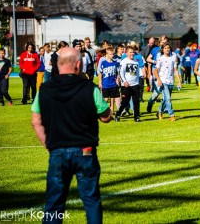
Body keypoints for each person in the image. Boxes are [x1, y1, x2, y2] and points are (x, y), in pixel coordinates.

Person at [31, 47, 112, 224]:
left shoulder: (44, 89)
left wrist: (49, 144)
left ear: (58, 64)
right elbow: (106, 117)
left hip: (57, 151)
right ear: (78, 64)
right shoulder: (89, 88)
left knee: (54, 203)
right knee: (91, 201)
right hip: (85, 150)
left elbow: (36, 121)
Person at [154, 43, 182, 121]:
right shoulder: (160, 59)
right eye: (165, 48)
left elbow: (175, 70)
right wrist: (159, 80)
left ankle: (160, 111)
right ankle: (171, 115)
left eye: (168, 48)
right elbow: (155, 71)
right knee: (168, 99)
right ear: (162, 49)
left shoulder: (173, 58)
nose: (167, 49)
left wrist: (179, 81)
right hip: (163, 81)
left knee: (166, 99)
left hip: (171, 81)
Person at [115, 46, 142, 122]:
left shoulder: (136, 62)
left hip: (135, 84)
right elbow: (120, 73)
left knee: (136, 101)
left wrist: (138, 82)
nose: (132, 54)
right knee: (125, 102)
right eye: (130, 52)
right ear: (126, 53)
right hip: (126, 85)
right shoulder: (124, 62)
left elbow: (137, 73)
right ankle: (118, 113)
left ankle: (136, 117)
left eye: (133, 52)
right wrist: (124, 81)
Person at [98, 47, 120, 115]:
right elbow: (100, 72)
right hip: (106, 84)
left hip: (113, 84)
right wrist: (100, 81)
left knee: (112, 100)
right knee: (106, 99)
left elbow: (117, 73)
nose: (112, 55)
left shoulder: (115, 63)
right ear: (107, 55)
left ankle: (111, 114)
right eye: (110, 54)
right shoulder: (103, 63)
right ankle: (100, 111)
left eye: (113, 54)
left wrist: (117, 81)